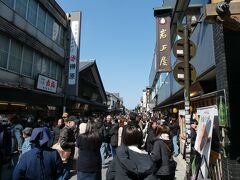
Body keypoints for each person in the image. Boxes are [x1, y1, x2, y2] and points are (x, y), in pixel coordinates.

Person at [58, 115, 78, 180]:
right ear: (70, 122)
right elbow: (63, 143)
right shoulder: (65, 130)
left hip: (69, 152)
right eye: (75, 123)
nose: (76, 124)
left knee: (67, 168)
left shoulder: (70, 129)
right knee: (65, 169)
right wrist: (73, 144)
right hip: (66, 153)